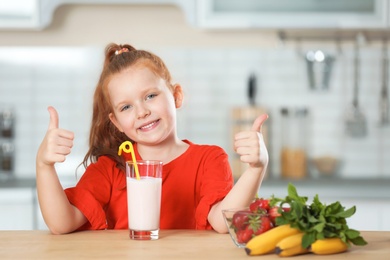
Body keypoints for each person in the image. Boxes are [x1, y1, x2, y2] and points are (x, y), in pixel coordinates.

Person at [36, 43, 269, 235]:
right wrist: (44, 165)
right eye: (126, 107)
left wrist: (256, 169)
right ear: (116, 122)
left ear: (176, 95)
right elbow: (62, 223)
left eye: (150, 96)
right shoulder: (110, 169)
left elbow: (222, 222)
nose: (141, 112)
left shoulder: (209, 159)